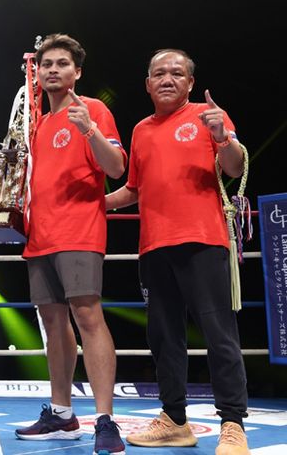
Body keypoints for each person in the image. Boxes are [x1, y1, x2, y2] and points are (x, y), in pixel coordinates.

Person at [106, 49, 249, 455]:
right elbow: (133, 189)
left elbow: (235, 167)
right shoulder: (140, 130)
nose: (167, 79)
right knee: (164, 338)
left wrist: (221, 135)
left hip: (203, 241)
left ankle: (233, 424)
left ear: (190, 82)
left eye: (177, 73)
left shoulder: (208, 115)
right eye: (159, 73)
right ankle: (174, 420)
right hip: (154, 246)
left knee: (219, 335)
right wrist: (91, 205)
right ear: (148, 84)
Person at [13, 33, 127, 455]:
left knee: (88, 316)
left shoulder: (92, 109)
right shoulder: (37, 124)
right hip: (39, 236)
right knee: (52, 323)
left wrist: (90, 130)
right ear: (37, 73)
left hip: (79, 232)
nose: (53, 70)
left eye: (62, 63)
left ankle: (105, 420)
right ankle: (62, 414)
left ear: (77, 72)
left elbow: (116, 168)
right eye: (46, 64)